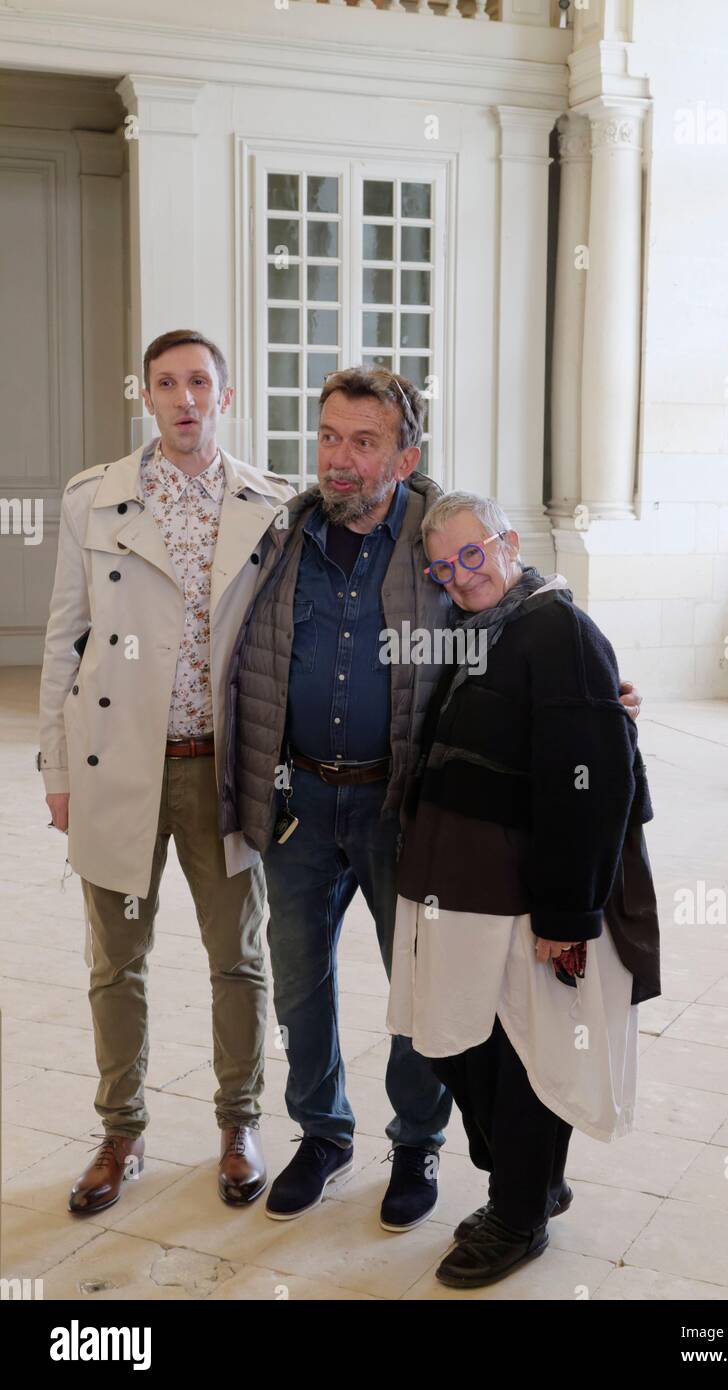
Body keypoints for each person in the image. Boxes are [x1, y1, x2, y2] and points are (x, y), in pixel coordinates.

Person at [220, 368, 644, 1232]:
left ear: (406, 454)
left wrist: (604, 691)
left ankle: (415, 1144)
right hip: (298, 799)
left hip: (401, 810)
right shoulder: (280, 534)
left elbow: (516, 609)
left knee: (422, 993)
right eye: (329, 437)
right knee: (301, 984)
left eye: (364, 442)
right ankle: (322, 1133)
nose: (340, 460)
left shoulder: (436, 538)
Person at [38, 329, 293, 1214]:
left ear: (224, 393)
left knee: (239, 957)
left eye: (199, 382)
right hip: (120, 768)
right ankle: (121, 1131)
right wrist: (57, 767)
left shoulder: (270, 503)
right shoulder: (95, 500)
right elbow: (64, 640)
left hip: (223, 771)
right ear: (144, 393)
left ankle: (238, 1122)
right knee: (118, 962)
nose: (185, 398)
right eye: (167, 382)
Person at [386, 490, 661, 1288]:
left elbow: (590, 784)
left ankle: (518, 1215)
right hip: (463, 892)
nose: (460, 577)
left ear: (509, 544)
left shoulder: (557, 630)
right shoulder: (479, 630)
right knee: (467, 1045)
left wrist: (566, 914)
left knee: (521, 1055)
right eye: (444, 567)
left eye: (473, 556)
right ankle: (532, 1182)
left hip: (526, 898)